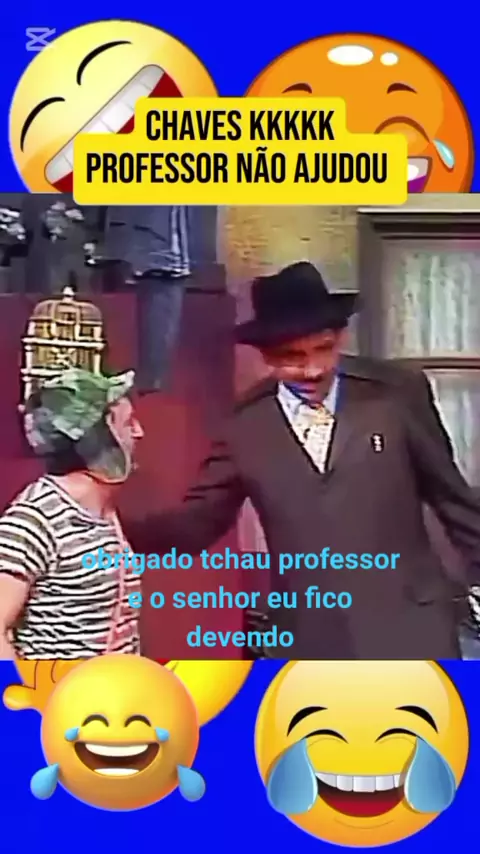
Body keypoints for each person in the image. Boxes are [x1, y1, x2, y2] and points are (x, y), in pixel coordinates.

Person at [125, 261, 480, 659]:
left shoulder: (396, 394)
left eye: (323, 349)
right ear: (266, 356)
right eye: (291, 357)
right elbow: (197, 524)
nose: (312, 370)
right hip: (309, 639)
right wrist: (109, 525)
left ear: (341, 336)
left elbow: (454, 501)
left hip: (413, 630)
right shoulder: (245, 425)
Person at [0, 368, 144, 659]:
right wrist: (19, 688)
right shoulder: (35, 520)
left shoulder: (104, 512)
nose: (139, 432)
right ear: (100, 440)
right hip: (59, 686)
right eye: (128, 423)